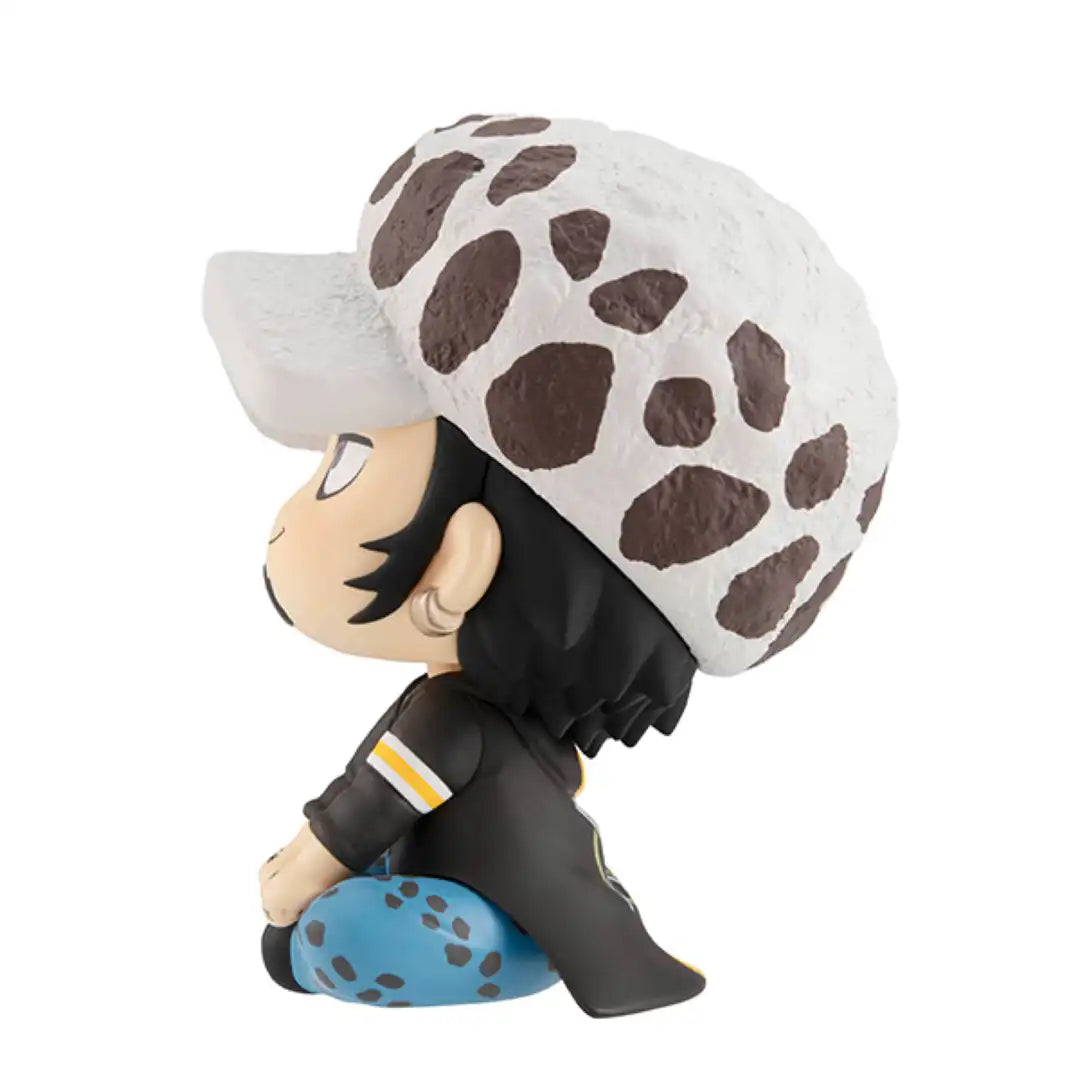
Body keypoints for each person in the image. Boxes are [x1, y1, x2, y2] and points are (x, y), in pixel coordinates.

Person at [204, 114, 897, 1016]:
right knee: (305, 935)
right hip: (494, 886)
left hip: (492, 923)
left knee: (329, 936)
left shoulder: (450, 720)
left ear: (459, 565)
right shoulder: (476, 717)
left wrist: (296, 874)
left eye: (346, 464)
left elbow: (363, 810)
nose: (293, 511)